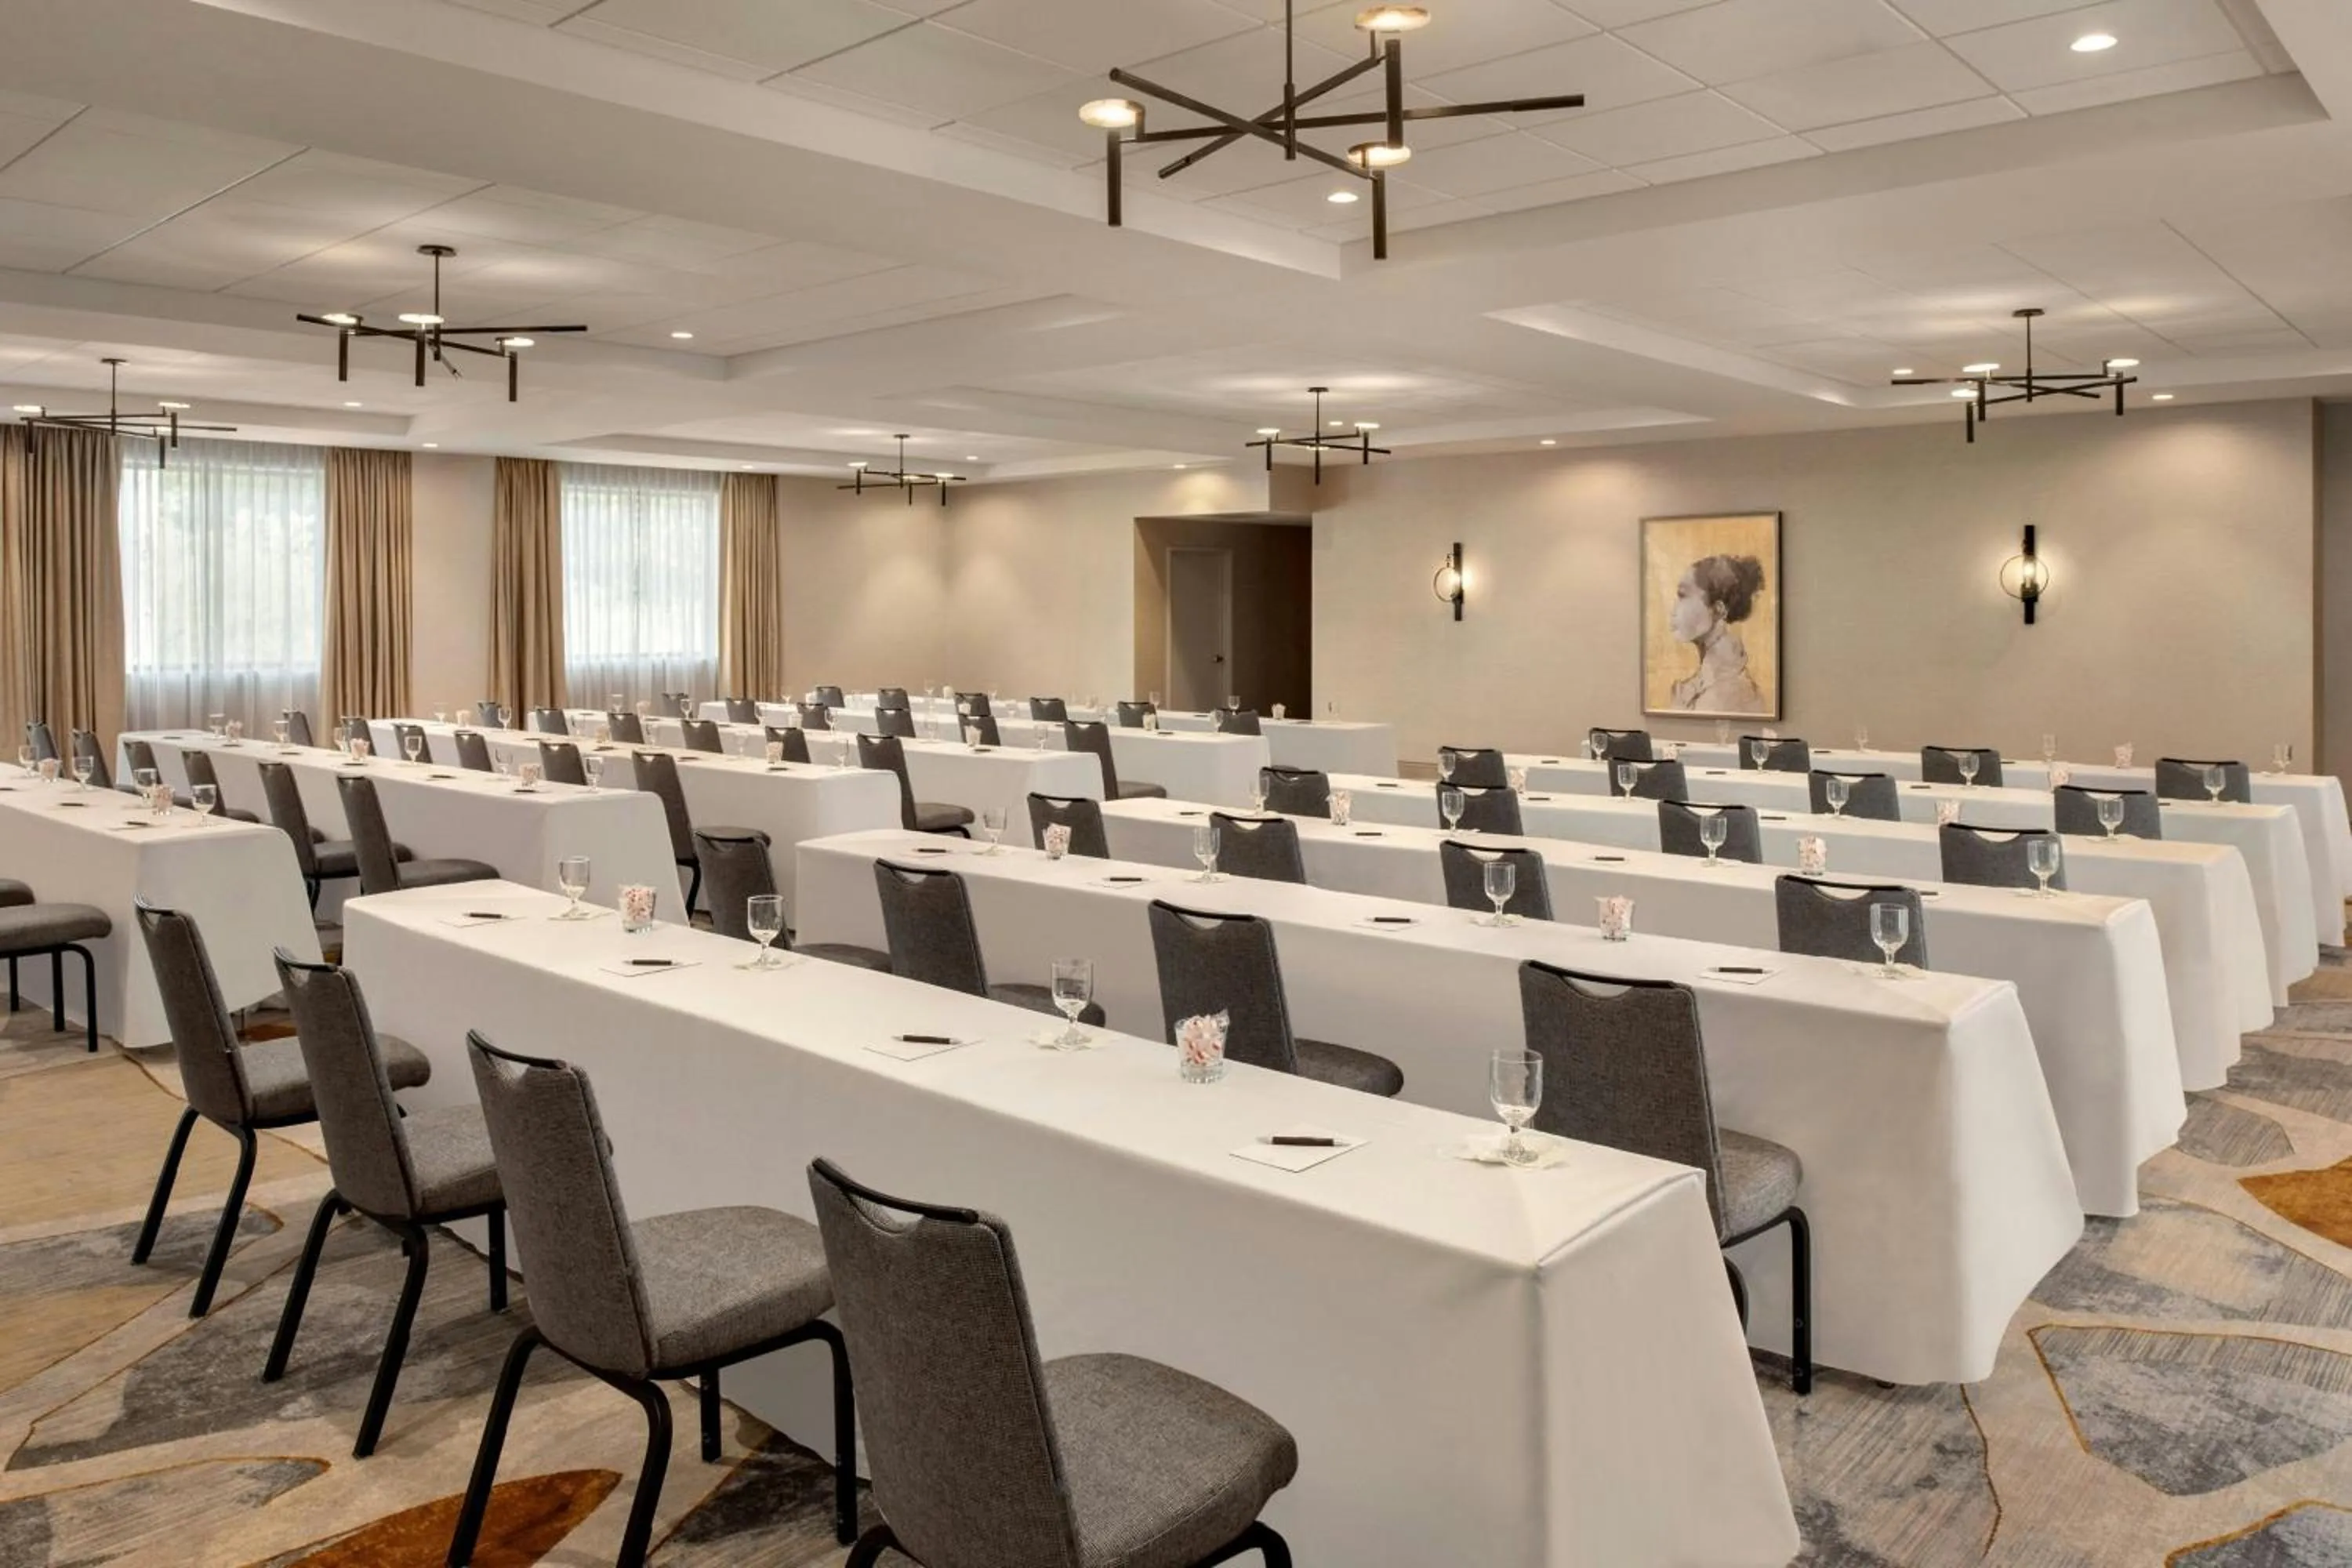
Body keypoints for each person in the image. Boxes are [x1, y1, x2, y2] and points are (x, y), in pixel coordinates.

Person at [1668, 553, 1767, 714]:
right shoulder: (1700, 684)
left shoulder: (1730, 690)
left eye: (1683, 596)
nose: (1673, 611)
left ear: (1718, 610)